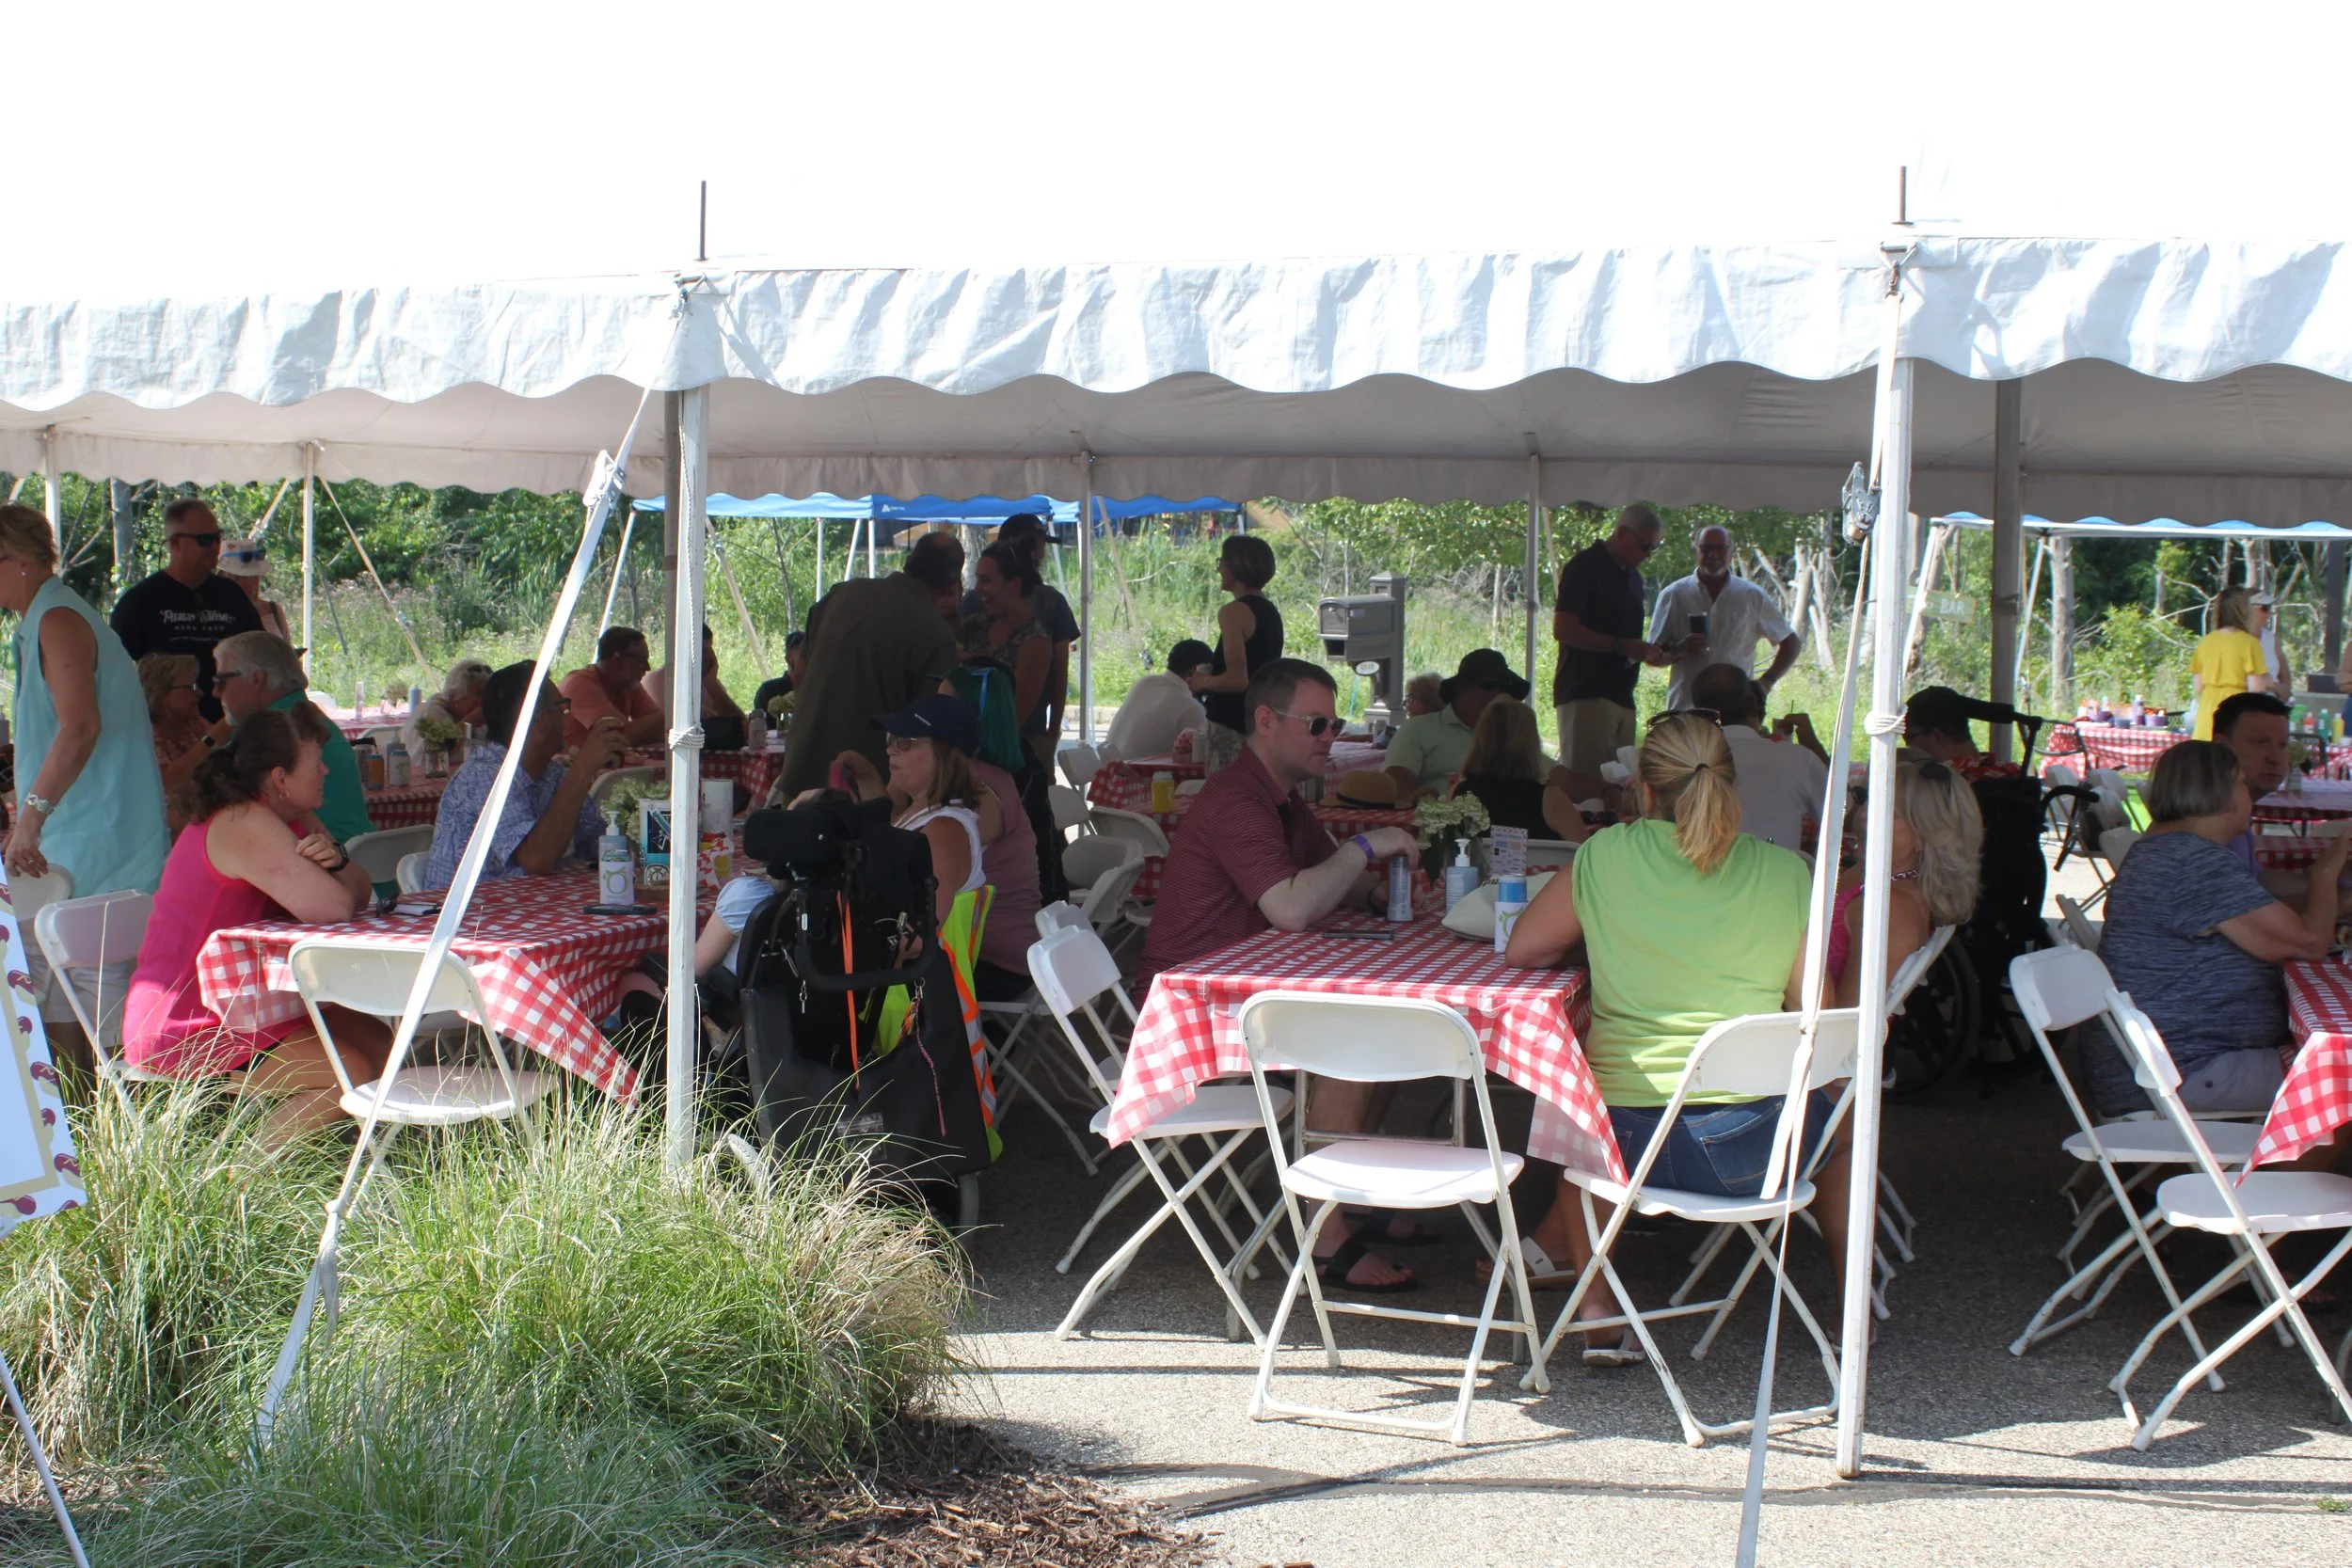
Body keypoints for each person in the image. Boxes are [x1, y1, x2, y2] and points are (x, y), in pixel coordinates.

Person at [1502, 714, 1846, 1354]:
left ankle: (1598, 1306)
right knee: (1848, 1126)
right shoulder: (1786, 871)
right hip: (1758, 1153)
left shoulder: (1605, 854)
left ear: (1643, 788)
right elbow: (1817, 1011)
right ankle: (1851, 1307)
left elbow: (1524, 948)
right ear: (1732, 785)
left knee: (1577, 1121)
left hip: (1627, 1151)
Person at [1141, 657, 1422, 1291]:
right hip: (1190, 1013)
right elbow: (1292, 908)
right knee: (1351, 1036)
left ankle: (1348, 1192)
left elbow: (1329, 881)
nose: (1331, 738)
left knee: (1384, 1024)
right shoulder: (1237, 799)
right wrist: (1367, 845)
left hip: (1243, 994)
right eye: (1317, 724)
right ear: (1266, 721)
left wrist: (1380, 892)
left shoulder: (1283, 798)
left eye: (1335, 724)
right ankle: (1324, 1233)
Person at [120, 705, 385, 1140]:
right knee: (349, 1070)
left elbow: (359, 890)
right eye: (315, 763)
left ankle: (347, 1157)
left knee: (379, 1042)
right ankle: (237, 1172)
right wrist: (335, 871)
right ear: (280, 778)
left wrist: (336, 860)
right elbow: (334, 908)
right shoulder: (243, 820)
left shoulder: (290, 815)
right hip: (188, 1023)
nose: (325, 771)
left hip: (246, 1007)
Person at [2084, 740, 2346, 1118]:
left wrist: (2337, 896)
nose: (2249, 794)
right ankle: (2289, 1160)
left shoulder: (2169, 850)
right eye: (2241, 783)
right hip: (2179, 1072)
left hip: (2161, 1063)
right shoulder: (2194, 863)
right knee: (2339, 1077)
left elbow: (2266, 918)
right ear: (2218, 791)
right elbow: (2310, 942)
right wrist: (2327, 870)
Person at [0, 502, 172, 1040]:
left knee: (98, 1005)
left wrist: (29, 819)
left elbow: (80, 728)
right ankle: (74, 1099)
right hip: (80, 838)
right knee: (59, 1000)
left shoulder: (57, 619)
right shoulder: (42, 620)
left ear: (21, 560)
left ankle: (113, 1097)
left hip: (100, 841)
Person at [779, 531, 964, 800]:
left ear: (909, 562)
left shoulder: (842, 594)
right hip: (865, 783)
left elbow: (799, 675)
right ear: (950, 584)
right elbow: (927, 727)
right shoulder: (936, 634)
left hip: (802, 764)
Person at [424, 660, 625, 886]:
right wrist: (582, 768)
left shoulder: (552, 774)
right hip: (476, 907)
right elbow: (537, 859)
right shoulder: (484, 777)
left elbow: (598, 844)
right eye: (561, 707)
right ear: (537, 717)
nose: (566, 716)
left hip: (534, 901)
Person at [1826, 759, 1984, 1009]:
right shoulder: (1875, 876)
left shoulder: (1891, 909)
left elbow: (1849, 1015)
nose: (1864, 813)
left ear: (1925, 836)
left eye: (1887, 810)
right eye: (1867, 800)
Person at [108, 498, 263, 721]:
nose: (214, 547)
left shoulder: (232, 596)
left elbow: (259, 655)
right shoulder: (140, 602)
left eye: (217, 537)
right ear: (175, 544)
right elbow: (113, 672)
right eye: (204, 540)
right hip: (167, 728)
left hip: (230, 724)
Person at [213, 631, 374, 845]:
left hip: (318, 854)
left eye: (221, 681)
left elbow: (205, 803)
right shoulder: (305, 716)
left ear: (256, 680)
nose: (215, 692)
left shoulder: (273, 730)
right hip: (352, 851)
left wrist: (211, 736)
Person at [1553, 503, 1674, 776]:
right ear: (1621, 533)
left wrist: (1662, 652)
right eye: (1644, 546)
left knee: (1620, 785)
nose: (1648, 554)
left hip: (1622, 695)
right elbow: (1564, 629)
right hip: (1587, 692)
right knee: (1588, 783)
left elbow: (1627, 641)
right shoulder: (1585, 567)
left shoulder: (1634, 578)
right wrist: (1620, 645)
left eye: (1653, 548)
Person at [959, 516, 1080, 771]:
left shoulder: (1033, 635)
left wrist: (1050, 736)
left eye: (985, 580)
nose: (1041, 553)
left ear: (1014, 583)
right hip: (984, 747)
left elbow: (1054, 677)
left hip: (1013, 745)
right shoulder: (977, 620)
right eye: (1039, 545)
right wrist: (1051, 734)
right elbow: (1060, 676)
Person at [1647, 524, 1802, 712]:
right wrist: (1680, 651)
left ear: (1731, 553)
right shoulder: (1674, 595)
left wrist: (1764, 684)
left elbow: (1791, 643)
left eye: (1721, 549)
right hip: (1686, 709)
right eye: (1706, 548)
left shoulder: (1751, 596)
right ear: (1696, 551)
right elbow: (1651, 657)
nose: (1713, 555)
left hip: (1736, 711)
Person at [1690, 662, 1828, 855]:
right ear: (1754, 705)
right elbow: (1842, 811)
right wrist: (1813, 746)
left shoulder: (1677, 761)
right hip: (1777, 873)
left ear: (1698, 713)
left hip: (1697, 872)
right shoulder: (1799, 759)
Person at [1382, 648, 1537, 800]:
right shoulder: (1418, 729)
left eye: (1504, 686)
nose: (1497, 692)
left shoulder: (1512, 734)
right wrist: (1419, 800)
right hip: (1441, 814)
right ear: (1461, 688)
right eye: (1488, 684)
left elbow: (1545, 772)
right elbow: (1396, 784)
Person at [1186, 533, 1284, 773]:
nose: (1219, 569)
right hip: (1258, 722)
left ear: (1234, 567)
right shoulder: (1270, 612)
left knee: (1227, 792)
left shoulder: (1233, 612)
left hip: (1231, 724)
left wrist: (1202, 681)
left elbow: (1237, 679)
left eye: (1222, 562)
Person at [1450, 695, 1584, 841]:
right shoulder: (1551, 800)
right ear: (1532, 744)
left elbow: (1438, 847)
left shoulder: (1456, 795)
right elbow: (1588, 852)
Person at [962, 544, 1054, 746]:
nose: (977, 589)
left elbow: (1014, 717)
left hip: (1004, 751)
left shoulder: (1035, 641)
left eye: (986, 580)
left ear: (1014, 584)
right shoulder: (976, 625)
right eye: (977, 579)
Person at [2211, 691, 2299, 893]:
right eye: (2261, 742)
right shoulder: (2210, 820)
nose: (2276, 758)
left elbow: (2256, 880)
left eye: (2283, 745)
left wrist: (2329, 879)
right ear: (2222, 748)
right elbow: (2242, 907)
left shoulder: (2235, 808)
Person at [641, 622, 746, 749]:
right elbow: (667, 730)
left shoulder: (707, 681)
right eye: (702, 651)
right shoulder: (659, 681)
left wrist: (712, 685)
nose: (709, 656)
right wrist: (693, 712)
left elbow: (742, 728)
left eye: (709, 649)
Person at [1104, 639, 1212, 759]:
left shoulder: (1145, 683)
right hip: (1138, 769)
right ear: (1193, 671)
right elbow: (1205, 755)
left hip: (1108, 766)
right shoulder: (1190, 707)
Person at [560, 626, 665, 749]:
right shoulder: (579, 684)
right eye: (641, 660)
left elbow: (660, 728)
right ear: (617, 659)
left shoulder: (627, 684)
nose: (647, 668)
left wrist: (662, 720)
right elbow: (619, 735)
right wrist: (671, 714)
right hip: (572, 760)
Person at [2189, 586, 2272, 741]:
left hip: (2207, 713)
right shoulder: (2250, 644)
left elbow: (2198, 687)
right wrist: (2266, 680)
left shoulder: (2206, 642)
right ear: (2245, 611)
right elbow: (2256, 690)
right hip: (2235, 713)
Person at [140, 651, 214, 811]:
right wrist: (219, 732)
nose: (200, 693)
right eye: (191, 687)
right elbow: (167, 784)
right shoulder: (142, 735)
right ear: (160, 693)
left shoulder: (196, 724)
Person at [1901, 686, 2024, 782]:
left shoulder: (1936, 785)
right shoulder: (2014, 773)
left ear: (1936, 735)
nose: (1907, 746)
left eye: (1908, 738)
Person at [403, 656, 494, 757]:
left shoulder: (477, 719)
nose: (485, 700)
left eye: (488, 694)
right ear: (454, 695)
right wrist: (469, 722)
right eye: (479, 694)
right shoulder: (431, 712)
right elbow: (432, 756)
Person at [216, 538, 294, 643]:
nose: (253, 582)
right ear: (227, 579)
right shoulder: (212, 615)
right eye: (244, 577)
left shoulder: (273, 610)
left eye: (255, 576)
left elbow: (287, 649)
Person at [750, 631, 808, 717]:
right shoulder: (769, 691)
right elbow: (760, 722)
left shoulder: (815, 690)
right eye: (803, 655)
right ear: (789, 659)